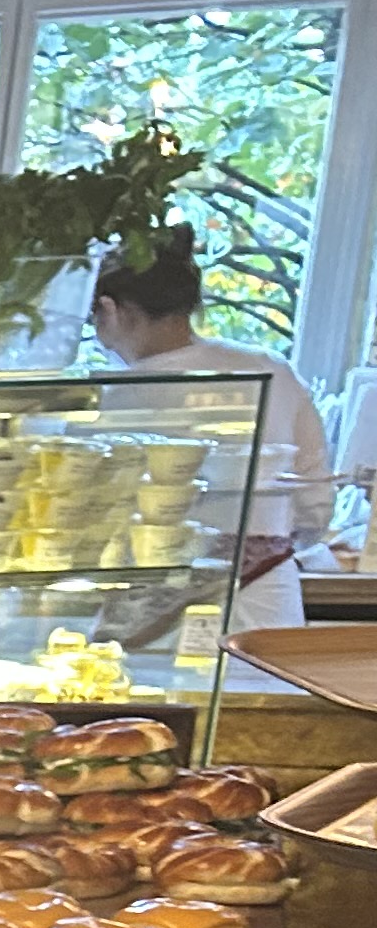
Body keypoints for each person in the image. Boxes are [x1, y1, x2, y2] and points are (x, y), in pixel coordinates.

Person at [92, 225, 330, 628]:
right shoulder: (269, 368)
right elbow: (315, 502)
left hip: (145, 596)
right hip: (261, 598)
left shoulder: (113, 396)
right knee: (257, 674)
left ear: (109, 309)